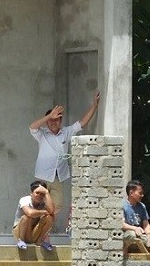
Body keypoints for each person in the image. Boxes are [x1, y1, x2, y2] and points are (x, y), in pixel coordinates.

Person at [29, 91, 100, 224]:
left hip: (58, 176)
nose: (54, 122)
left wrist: (94, 106)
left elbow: (82, 123)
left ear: (61, 120)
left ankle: (43, 232)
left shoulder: (66, 132)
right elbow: (32, 126)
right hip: (43, 176)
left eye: (57, 119)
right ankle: (35, 232)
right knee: (36, 204)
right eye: (51, 120)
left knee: (56, 206)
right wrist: (49, 115)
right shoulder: (42, 134)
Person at [121, 179, 150, 252]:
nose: (142, 195)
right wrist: (134, 228)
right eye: (140, 193)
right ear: (131, 193)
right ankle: (125, 251)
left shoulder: (142, 206)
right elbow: (121, 224)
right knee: (131, 234)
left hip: (140, 237)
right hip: (126, 236)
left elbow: (146, 225)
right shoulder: (122, 205)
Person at [13, 180, 55, 250]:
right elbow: (30, 213)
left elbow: (51, 211)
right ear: (31, 193)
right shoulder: (24, 200)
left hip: (33, 233)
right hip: (20, 232)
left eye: (42, 194)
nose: (39, 195)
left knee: (50, 217)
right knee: (26, 217)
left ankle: (39, 241)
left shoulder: (44, 202)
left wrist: (47, 192)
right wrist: (44, 211)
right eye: (37, 193)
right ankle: (21, 241)